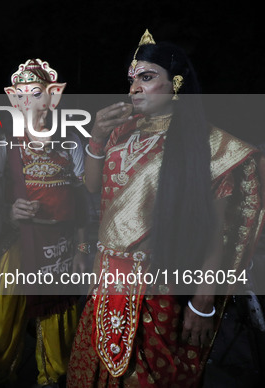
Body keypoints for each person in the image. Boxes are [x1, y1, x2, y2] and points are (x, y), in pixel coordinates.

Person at [66, 30, 264, 387]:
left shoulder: (209, 146)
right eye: (131, 80)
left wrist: (203, 303)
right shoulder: (121, 132)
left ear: (176, 83)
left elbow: (215, 233)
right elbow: (93, 187)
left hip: (162, 292)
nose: (134, 88)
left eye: (146, 77)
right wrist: (96, 136)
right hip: (108, 283)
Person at [0, 59, 89, 387]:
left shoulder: (72, 141)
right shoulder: (4, 143)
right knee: (1, 326)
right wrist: (8, 210)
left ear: (52, 97)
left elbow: (83, 202)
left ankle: (50, 377)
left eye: (37, 93)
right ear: (14, 101)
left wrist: (82, 250)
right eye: (22, 95)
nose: (29, 102)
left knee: (58, 331)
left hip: (60, 249)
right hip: (17, 244)